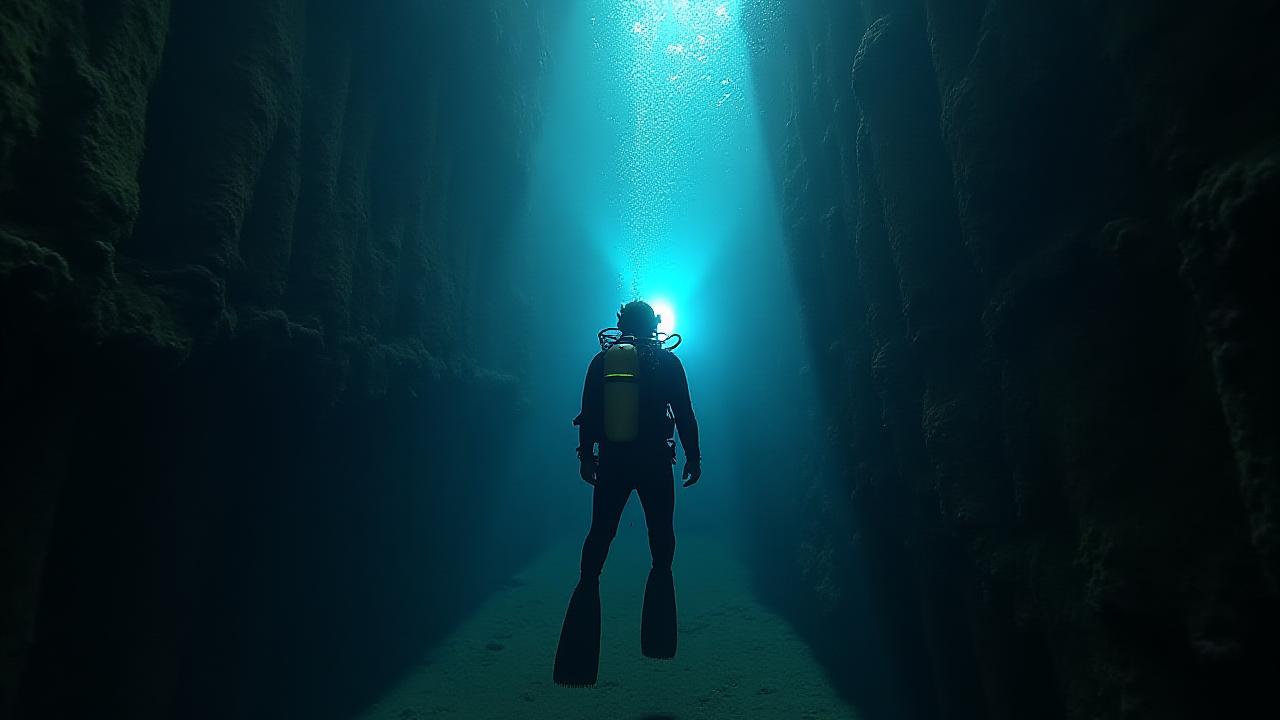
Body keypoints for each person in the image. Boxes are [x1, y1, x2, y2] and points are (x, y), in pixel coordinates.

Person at [553, 300, 702, 687]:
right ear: (654, 325)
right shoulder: (667, 363)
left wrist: (586, 459)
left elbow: (588, 413)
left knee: (600, 534)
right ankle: (657, 638)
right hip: (654, 462)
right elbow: (685, 413)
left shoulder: (600, 362)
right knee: (661, 539)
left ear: (619, 325)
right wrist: (694, 458)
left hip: (614, 463)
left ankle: (585, 600)